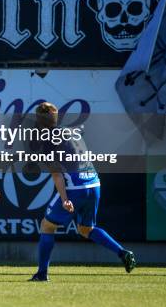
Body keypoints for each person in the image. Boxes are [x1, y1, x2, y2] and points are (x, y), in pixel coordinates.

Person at [29, 102, 136, 282]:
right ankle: (122, 252)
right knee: (86, 229)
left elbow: (57, 175)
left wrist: (64, 199)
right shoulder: (72, 132)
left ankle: (41, 274)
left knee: (47, 226)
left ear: (39, 121)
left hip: (75, 188)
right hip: (94, 184)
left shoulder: (48, 141)